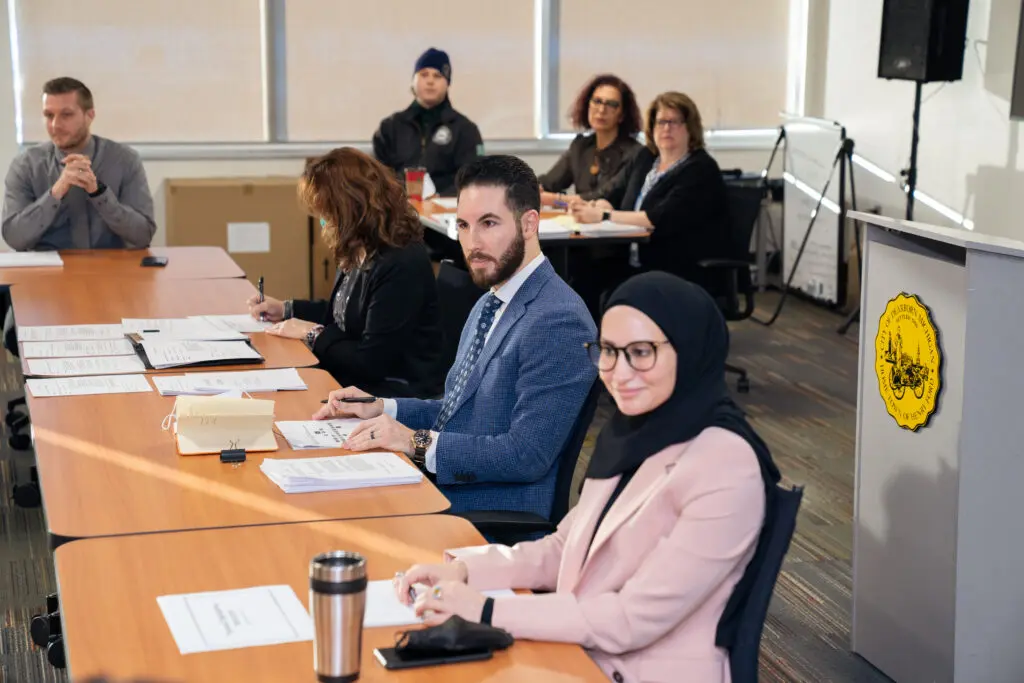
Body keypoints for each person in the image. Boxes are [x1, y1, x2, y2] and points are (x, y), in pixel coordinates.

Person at [392, 272, 780, 683]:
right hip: (577, 646)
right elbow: (564, 547)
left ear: (689, 350)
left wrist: (484, 610)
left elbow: (632, 618)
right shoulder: (637, 433)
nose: (619, 372)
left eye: (642, 351)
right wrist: (466, 571)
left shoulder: (725, 466)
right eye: (608, 351)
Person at [314, 155, 596, 518]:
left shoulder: (558, 320)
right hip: (444, 487)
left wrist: (412, 441)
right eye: (463, 225)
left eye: (489, 223)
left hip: (485, 511)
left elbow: (526, 456)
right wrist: (382, 406)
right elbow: (458, 412)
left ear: (529, 224)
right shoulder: (489, 302)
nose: (472, 242)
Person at [248, 148, 443, 398]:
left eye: (327, 213)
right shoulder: (357, 247)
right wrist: (287, 310)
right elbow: (341, 315)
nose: (323, 221)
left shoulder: (400, 263)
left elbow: (372, 362)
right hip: (356, 379)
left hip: (394, 391)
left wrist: (312, 333)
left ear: (351, 209)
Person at [571, 92, 731, 314]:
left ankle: (612, 344)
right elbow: (616, 193)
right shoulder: (646, 158)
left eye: (674, 122)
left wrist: (605, 216)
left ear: (690, 127)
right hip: (632, 260)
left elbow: (657, 219)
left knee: (605, 291)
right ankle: (583, 345)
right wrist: (602, 204)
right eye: (661, 122)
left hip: (675, 267)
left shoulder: (700, 169)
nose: (666, 129)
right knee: (578, 275)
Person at [2, 77, 156, 251]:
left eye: (66, 115)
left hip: (109, 270)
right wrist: (55, 193)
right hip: (48, 273)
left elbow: (143, 236)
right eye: (49, 115)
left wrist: (99, 193)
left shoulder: (125, 160)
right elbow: (14, 238)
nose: (55, 125)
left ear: (89, 116)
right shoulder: (25, 165)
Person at [372, 48, 483, 198]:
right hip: (398, 211)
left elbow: (472, 180)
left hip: (446, 213)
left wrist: (439, 196)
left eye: (437, 76)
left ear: (447, 83)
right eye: (424, 75)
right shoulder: (389, 128)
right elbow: (377, 177)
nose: (430, 81)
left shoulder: (465, 130)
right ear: (413, 81)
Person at [538, 74, 642, 206]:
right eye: (597, 101)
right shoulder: (580, 146)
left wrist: (552, 199)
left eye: (611, 104)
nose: (601, 110)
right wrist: (531, 188)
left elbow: (603, 197)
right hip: (580, 224)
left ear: (622, 115)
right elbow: (549, 182)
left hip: (615, 224)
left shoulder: (634, 153)